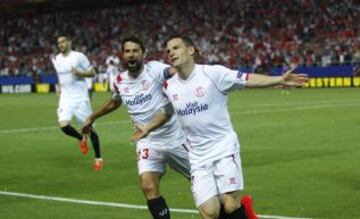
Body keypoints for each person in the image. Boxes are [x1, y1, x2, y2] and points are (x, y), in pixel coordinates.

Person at [133, 35, 309, 219]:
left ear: (191, 50)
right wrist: (148, 128)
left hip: (223, 147)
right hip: (197, 156)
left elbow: (247, 79)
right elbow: (167, 112)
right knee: (210, 212)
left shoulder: (213, 73)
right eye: (168, 50)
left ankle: (240, 209)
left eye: (176, 48)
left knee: (230, 205)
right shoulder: (169, 86)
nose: (171, 53)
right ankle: (246, 211)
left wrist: (279, 79)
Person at [80, 36, 191, 219]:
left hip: (175, 138)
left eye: (135, 51)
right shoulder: (120, 80)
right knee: (148, 186)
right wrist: (92, 117)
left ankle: (237, 210)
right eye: (127, 51)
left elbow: (175, 71)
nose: (131, 55)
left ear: (143, 53)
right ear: (122, 55)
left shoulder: (154, 69)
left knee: (202, 183)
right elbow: (115, 102)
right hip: (146, 140)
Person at [51, 34, 103, 171]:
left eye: (63, 41)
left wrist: (79, 73)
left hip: (81, 99)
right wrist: (59, 88)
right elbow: (60, 77)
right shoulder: (56, 59)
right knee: (63, 125)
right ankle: (81, 139)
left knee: (90, 129)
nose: (61, 44)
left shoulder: (79, 57)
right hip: (65, 98)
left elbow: (93, 73)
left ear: (69, 42)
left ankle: (98, 158)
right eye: (59, 43)